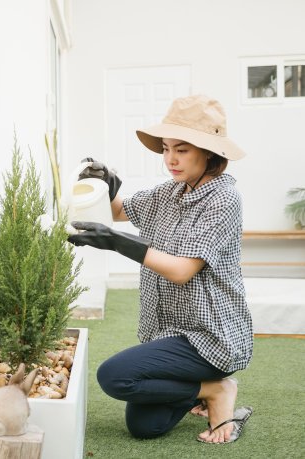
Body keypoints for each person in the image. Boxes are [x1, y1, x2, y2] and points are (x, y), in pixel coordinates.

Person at [68, 94, 254, 444]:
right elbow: (120, 210)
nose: (170, 159)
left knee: (115, 376)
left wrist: (115, 242)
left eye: (181, 150)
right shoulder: (171, 192)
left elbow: (182, 270)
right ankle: (204, 391)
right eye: (166, 148)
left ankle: (217, 390)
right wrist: (107, 183)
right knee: (145, 426)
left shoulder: (223, 199)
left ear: (209, 152)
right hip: (173, 332)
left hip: (211, 337)